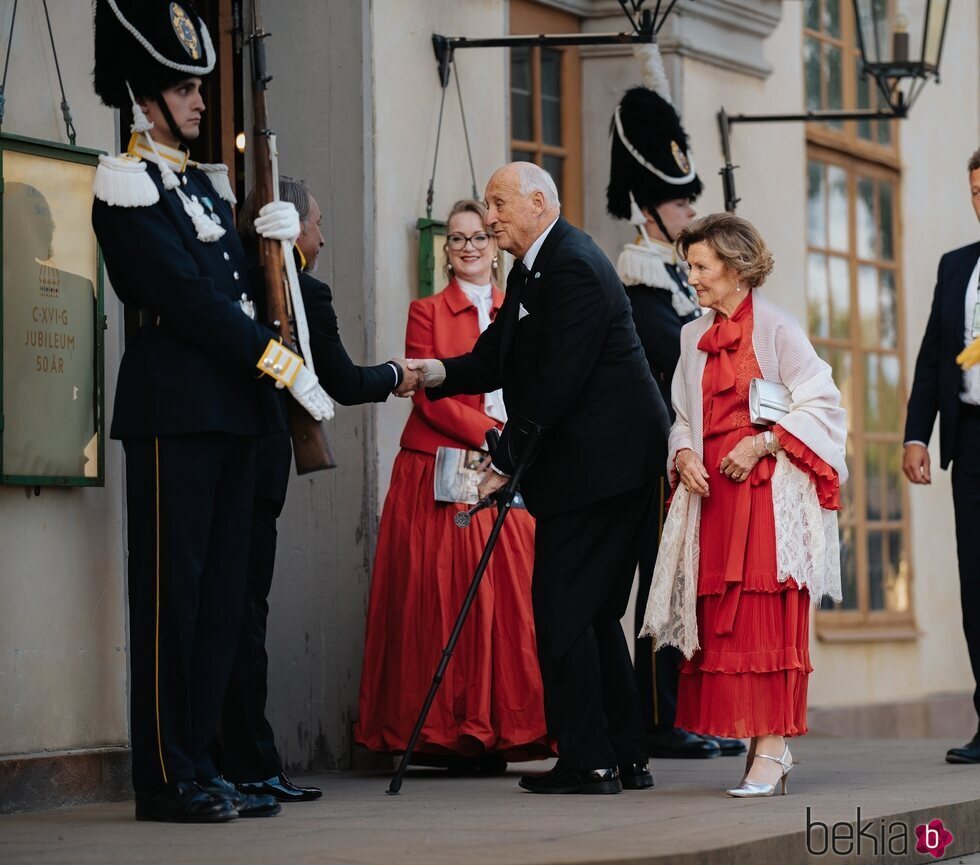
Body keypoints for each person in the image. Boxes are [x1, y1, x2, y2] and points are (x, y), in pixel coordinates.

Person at [91, 0, 331, 822]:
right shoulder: (125, 185)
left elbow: (245, 291)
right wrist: (273, 357)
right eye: (184, 89)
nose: (199, 101)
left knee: (224, 598)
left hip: (232, 413)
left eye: (198, 87)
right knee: (175, 599)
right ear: (146, 97)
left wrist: (280, 258)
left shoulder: (201, 186)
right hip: (177, 411)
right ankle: (166, 773)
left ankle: (204, 759)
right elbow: (187, 299)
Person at [408, 163, 670, 794]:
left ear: (537, 202)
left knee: (561, 610)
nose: (489, 217)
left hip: (605, 467)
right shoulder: (535, 265)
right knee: (595, 612)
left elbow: (556, 381)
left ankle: (589, 761)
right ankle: (625, 757)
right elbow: (498, 356)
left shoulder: (574, 264)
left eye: (498, 205)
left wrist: (503, 463)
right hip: (600, 464)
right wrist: (426, 374)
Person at [215, 177, 412, 801]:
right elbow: (346, 382)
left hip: (218, 461)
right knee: (246, 615)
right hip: (258, 465)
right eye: (317, 222)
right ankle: (254, 761)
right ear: (291, 226)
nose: (323, 235)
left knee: (223, 614)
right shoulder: (306, 291)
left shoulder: (231, 274)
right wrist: (400, 375)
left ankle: (229, 755)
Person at [641, 213, 847, 797]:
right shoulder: (689, 336)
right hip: (715, 502)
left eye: (701, 267)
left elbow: (824, 406)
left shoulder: (778, 329)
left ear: (735, 269)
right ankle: (761, 749)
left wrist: (761, 443)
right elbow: (682, 416)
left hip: (765, 504)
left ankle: (773, 748)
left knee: (765, 621)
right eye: (691, 267)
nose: (693, 277)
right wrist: (682, 455)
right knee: (724, 632)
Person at [355, 199, 551, 772]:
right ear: (446, 250)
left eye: (479, 237)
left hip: (504, 467)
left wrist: (516, 444)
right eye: (457, 238)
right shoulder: (426, 311)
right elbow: (425, 390)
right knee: (439, 598)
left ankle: (499, 726)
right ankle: (448, 730)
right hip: (440, 468)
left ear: (496, 248)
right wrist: (496, 434)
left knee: (508, 594)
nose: (468, 246)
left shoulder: (516, 308)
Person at [606, 44, 742, 761]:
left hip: (694, 453)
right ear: (648, 208)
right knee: (661, 589)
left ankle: (681, 710)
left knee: (689, 587)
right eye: (680, 199)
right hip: (658, 456)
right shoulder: (640, 285)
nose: (690, 207)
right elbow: (671, 363)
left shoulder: (680, 280)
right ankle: (659, 717)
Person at [904, 148, 980, 764]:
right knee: (976, 586)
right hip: (972, 441)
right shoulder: (956, 267)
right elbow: (934, 355)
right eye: (977, 191)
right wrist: (914, 435)